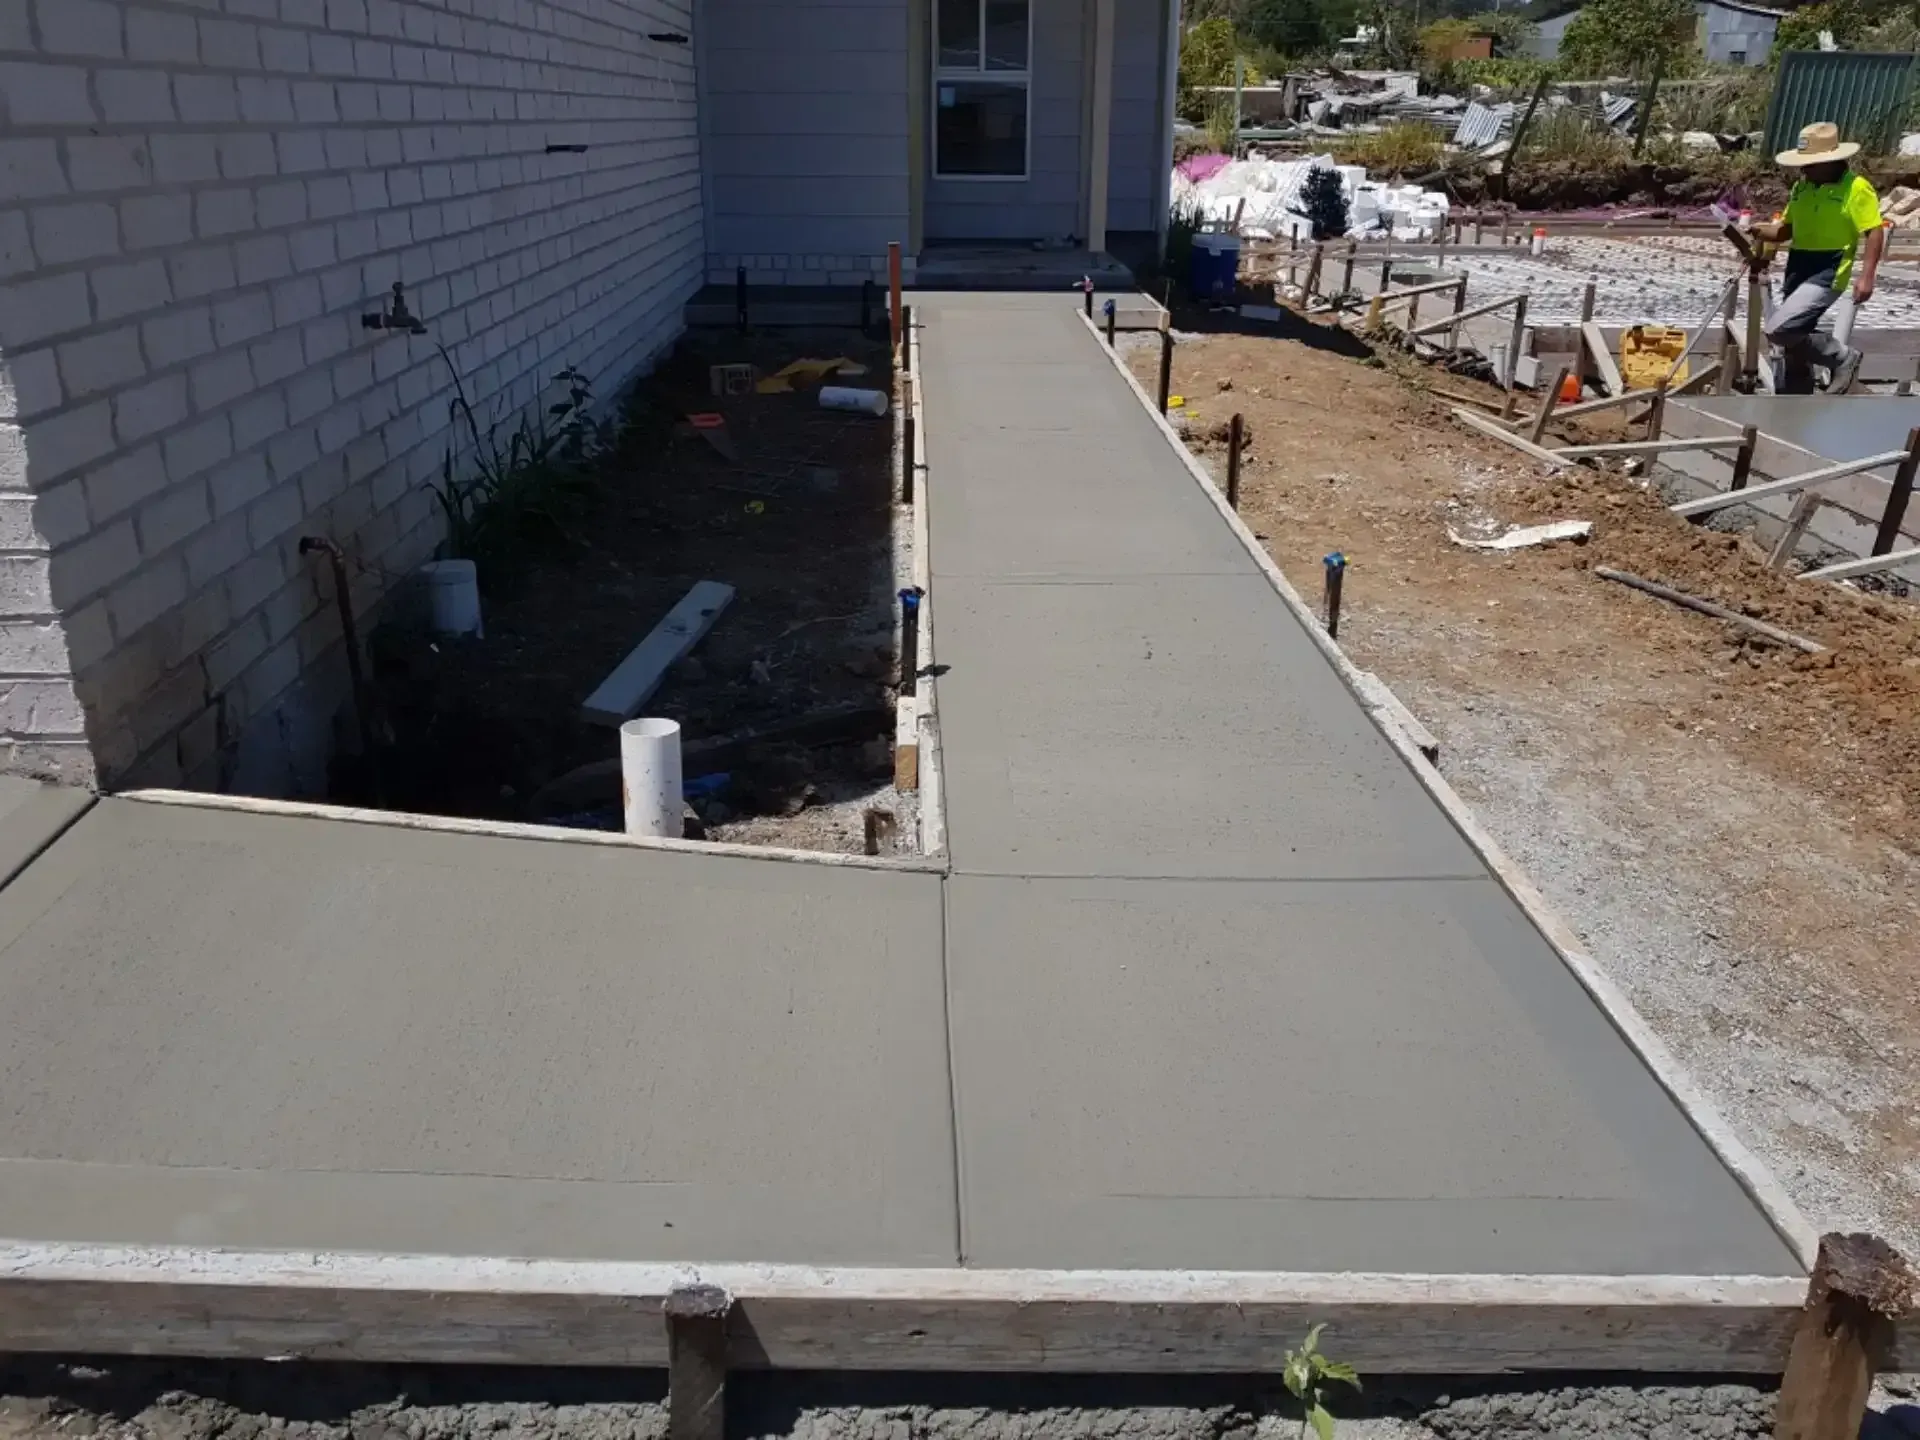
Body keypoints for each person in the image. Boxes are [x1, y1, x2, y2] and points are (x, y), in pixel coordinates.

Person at [1754, 122, 1885, 395]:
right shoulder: (1802, 188)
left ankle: (1842, 357)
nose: (1804, 169)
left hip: (1829, 268)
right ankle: (1797, 396)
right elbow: (1786, 229)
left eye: (1811, 164)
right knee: (1796, 335)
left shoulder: (1856, 188)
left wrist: (1867, 277)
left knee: (1781, 330)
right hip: (1798, 265)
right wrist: (1757, 230)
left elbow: (1874, 230)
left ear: (1831, 161)